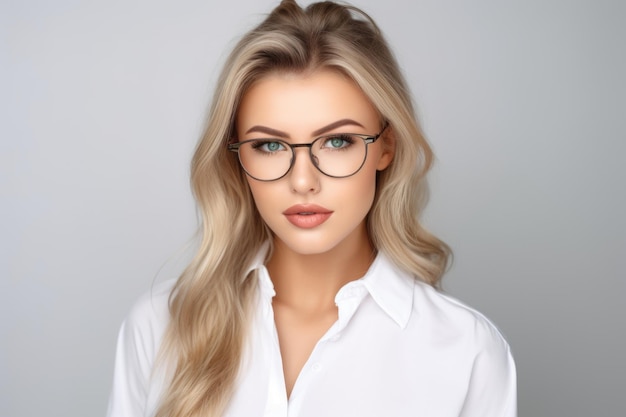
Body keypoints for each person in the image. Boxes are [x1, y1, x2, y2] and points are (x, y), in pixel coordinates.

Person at [106, 1, 517, 416]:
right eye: (269, 145)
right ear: (236, 158)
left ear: (386, 147)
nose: (302, 181)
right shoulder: (159, 326)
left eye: (338, 141)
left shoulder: (466, 352)